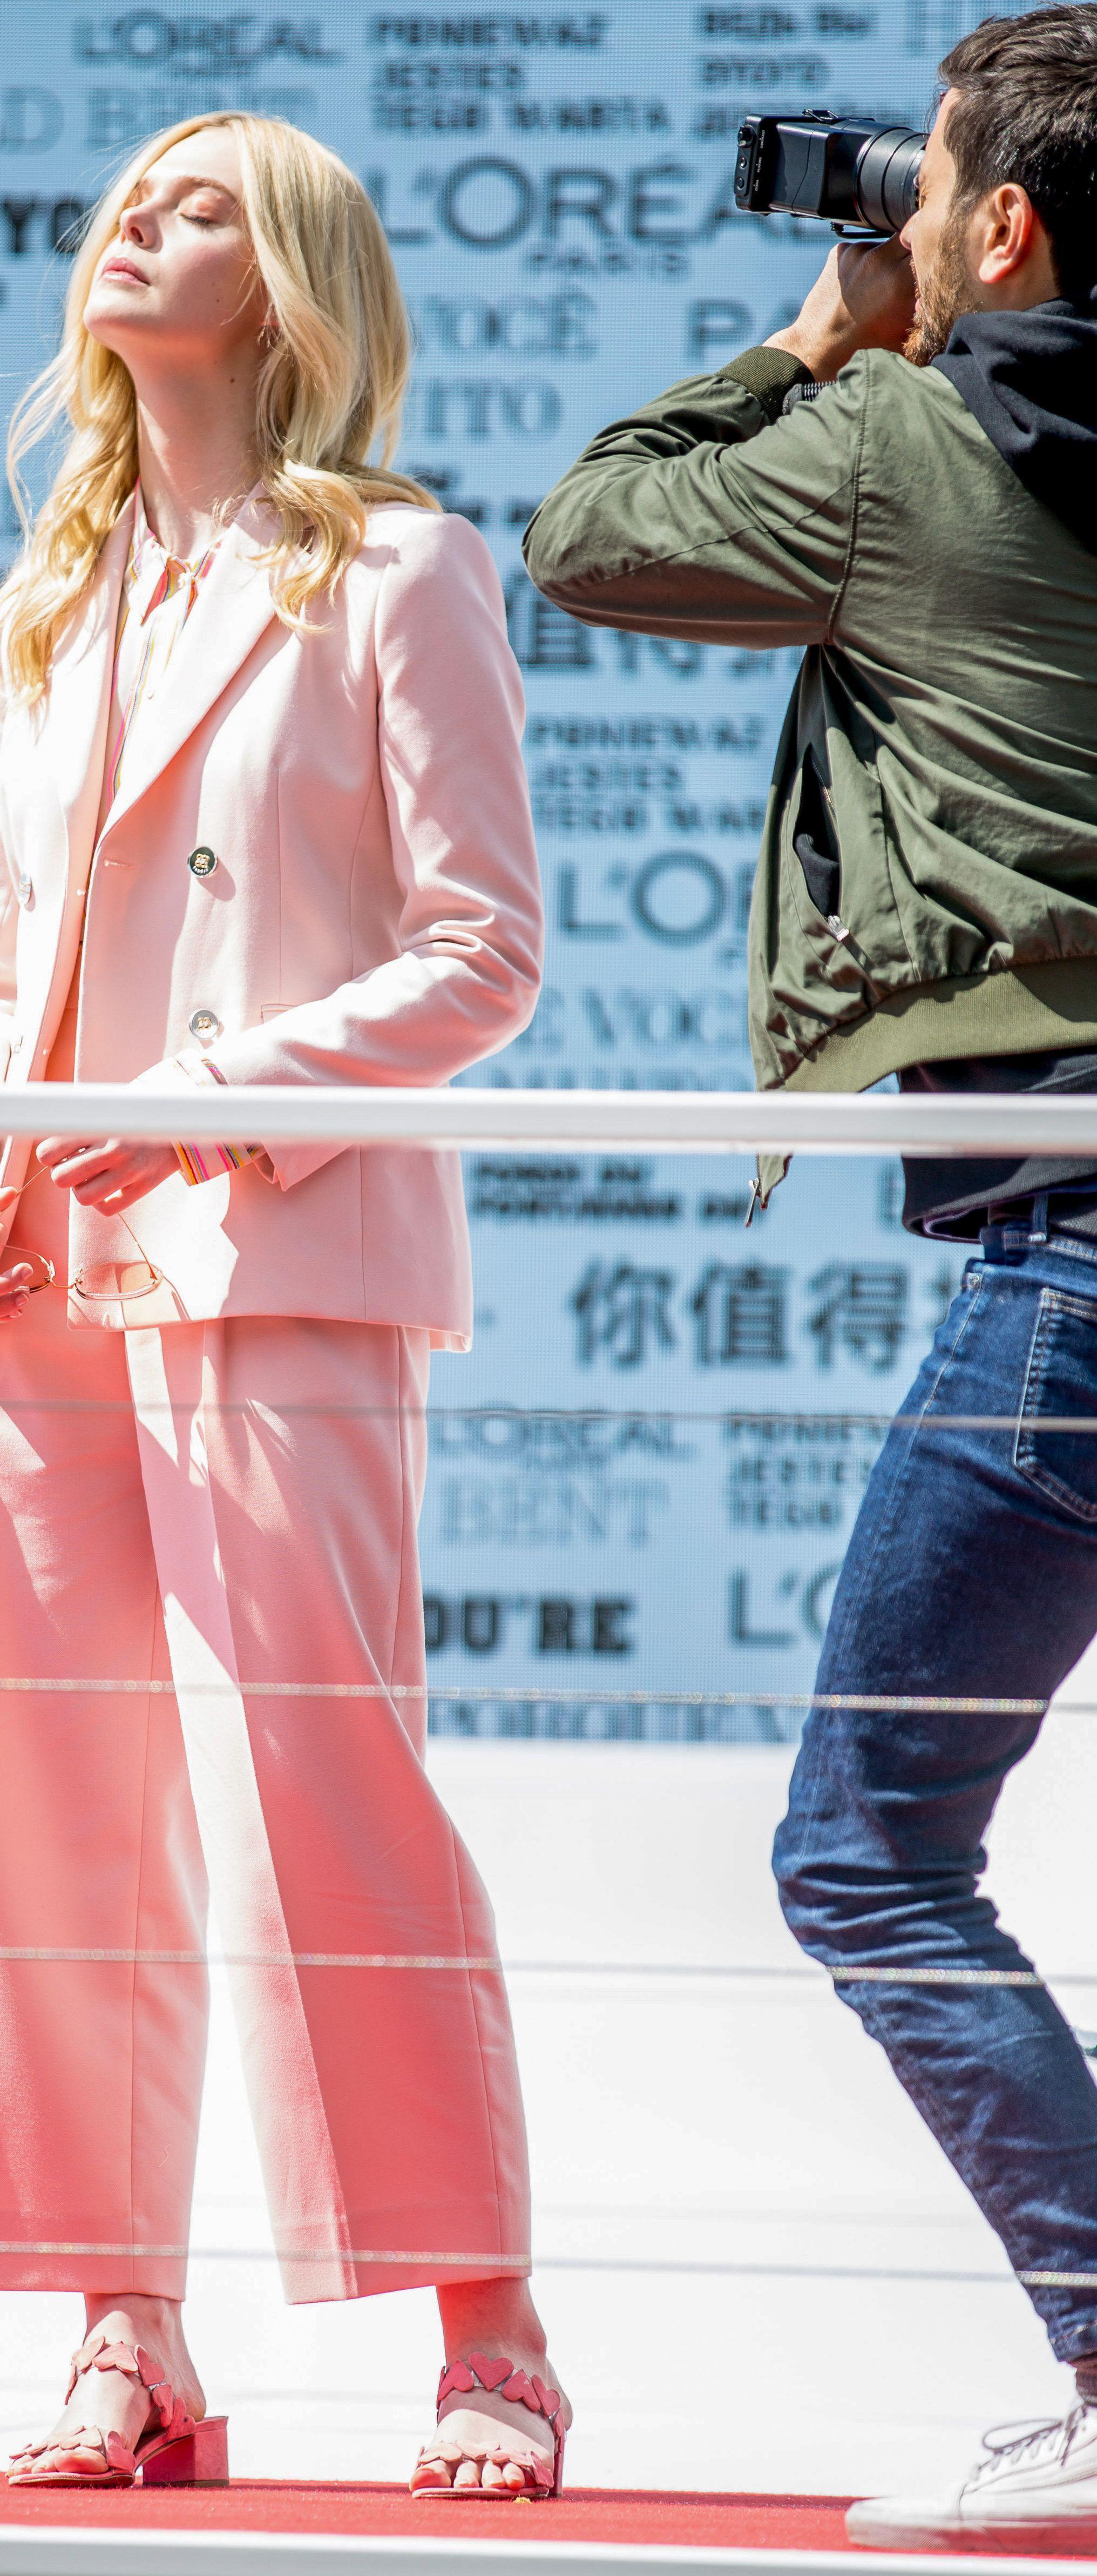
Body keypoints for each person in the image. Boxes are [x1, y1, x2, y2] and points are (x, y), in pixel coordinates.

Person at [0, 112, 561, 2500]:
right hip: (38, 1269)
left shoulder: (399, 567)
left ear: (281, 282)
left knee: (324, 1785)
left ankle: (493, 2333)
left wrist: (210, 1101)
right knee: (56, 1804)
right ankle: (127, 2331)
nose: (129, 227)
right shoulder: (54, 592)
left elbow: (485, 950)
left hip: (275, 1245)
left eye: (192, 206)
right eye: (123, 201)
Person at [523, 3, 1097, 2545]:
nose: (907, 214)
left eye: (935, 184)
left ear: (1006, 226)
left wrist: (814, 333)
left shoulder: (899, 442)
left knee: (868, 1841)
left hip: (1071, 1245)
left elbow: (591, 529)